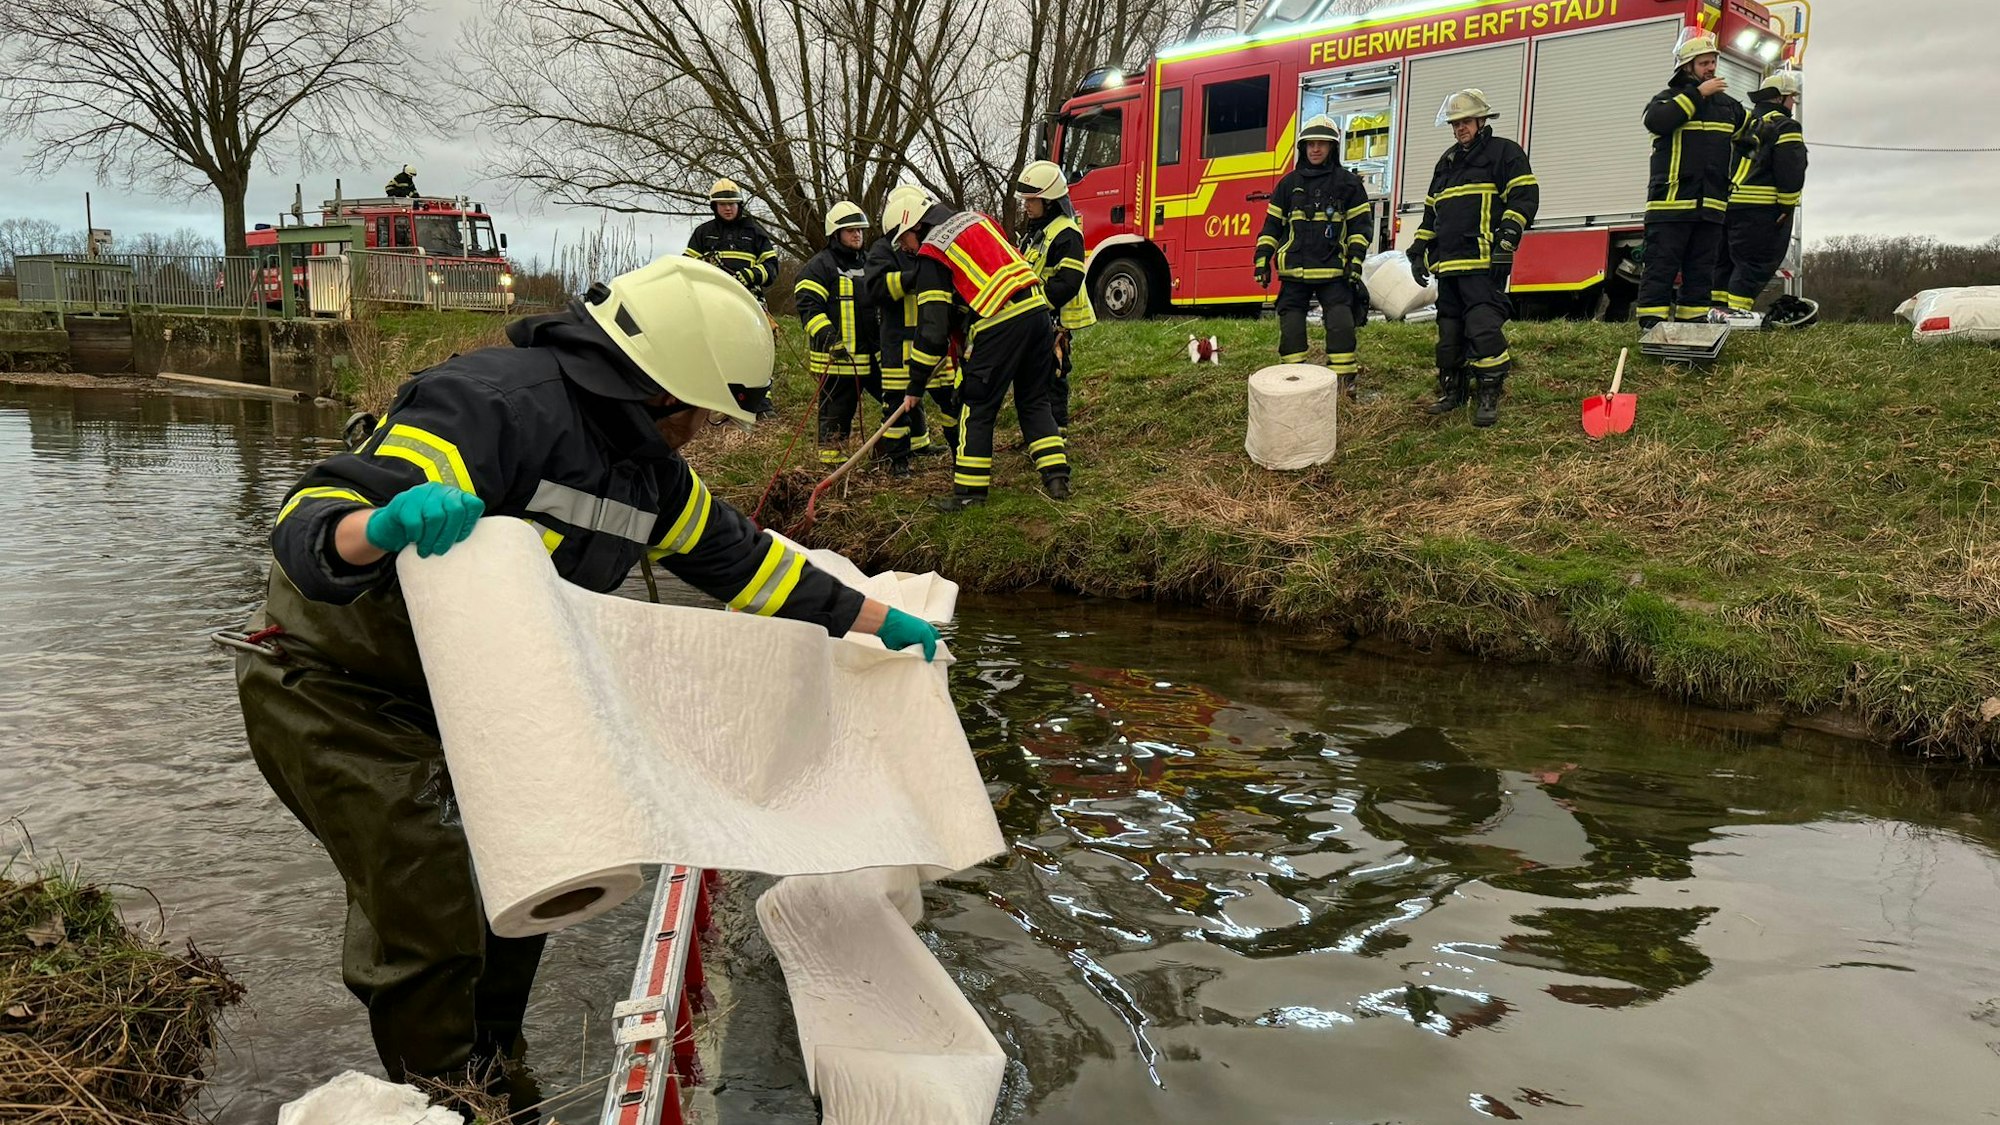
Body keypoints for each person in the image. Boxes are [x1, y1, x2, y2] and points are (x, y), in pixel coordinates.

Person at [231, 256, 939, 1121]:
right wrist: (377, 526)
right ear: (658, 391)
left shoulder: (651, 478)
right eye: (702, 415)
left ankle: (494, 1066)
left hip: (484, 698)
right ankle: (445, 1098)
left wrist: (873, 620)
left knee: (533, 870)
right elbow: (307, 520)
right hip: (341, 684)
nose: (704, 435)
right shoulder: (491, 406)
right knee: (429, 888)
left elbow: (744, 567)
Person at [882, 184, 1070, 510]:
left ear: (913, 224)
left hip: (1001, 323)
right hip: (1038, 313)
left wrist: (915, 384)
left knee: (976, 407)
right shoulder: (978, 220)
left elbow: (932, 328)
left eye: (903, 239)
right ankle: (1057, 480)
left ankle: (969, 495)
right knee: (1035, 400)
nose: (906, 249)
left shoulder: (932, 252)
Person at [1408, 89, 1539, 427]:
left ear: (1481, 121)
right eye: (1454, 123)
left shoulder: (1504, 154)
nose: (1459, 129)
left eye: (1465, 121)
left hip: (1483, 263)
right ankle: (1453, 391)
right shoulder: (1447, 162)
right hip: (1449, 267)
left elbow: (1524, 198)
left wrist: (1506, 241)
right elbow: (1431, 213)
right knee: (1449, 333)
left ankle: (1489, 392)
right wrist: (1418, 249)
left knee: (1483, 329)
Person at [1253, 114, 1372, 397]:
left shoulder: (1348, 184)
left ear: (1332, 148)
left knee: (1341, 321)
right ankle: (1294, 383)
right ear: (1303, 148)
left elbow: (1360, 227)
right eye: (1311, 144)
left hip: (1333, 270)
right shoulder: (1288, 184)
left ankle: (1344, 384)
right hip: (1295, 270)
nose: (1316, 149)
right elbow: (1271, 226)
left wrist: (1355, 261)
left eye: (1322, 144)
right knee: (1291, 324)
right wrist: (1262, 259)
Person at [1636, 31, 1746, 331]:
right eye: (1703, 63)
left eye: (1713, 62)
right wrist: (1699, 94)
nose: (1711, 68)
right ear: (1687, 68)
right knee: (1661, 265)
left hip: (1710, 204)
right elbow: (1657, 121)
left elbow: (1751, 137)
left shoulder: (1727, 107)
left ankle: (1693, 321)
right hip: (1671, 201)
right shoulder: (1666, 100)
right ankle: (1652, 322)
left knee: (1701, 268)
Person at [797, 201, 896, 470]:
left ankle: (912, 447)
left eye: (860, 230)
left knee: (898, 398)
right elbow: (808, 306)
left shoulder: (870, 263)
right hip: (839, 358)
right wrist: (830, 340)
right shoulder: (819, 267)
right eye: (850, 230)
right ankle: (832, 467)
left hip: (874, 354)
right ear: (835, 234)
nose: (857, 235)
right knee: (836, 414)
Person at [1717, 70, 1810, 328]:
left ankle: (1715, 317)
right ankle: (1736, 320)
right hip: (1763, 211)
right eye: (1792, 98)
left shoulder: (1743, 123)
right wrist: (1787, 205)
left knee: (1723, 266)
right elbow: (1790, 171)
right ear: (1780, 99)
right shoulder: (1785, 126)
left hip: (1727, 206)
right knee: (1752, 267)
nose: (1793, 104)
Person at [1012, 160, 1095, 431]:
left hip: (1053, 321)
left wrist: (1037, 304)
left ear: (1049, 200)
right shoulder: (1038, 231)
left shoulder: (1066, 233)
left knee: (1053, 376)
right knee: (1032, 377)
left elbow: (1069, 281)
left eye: (1031, 199)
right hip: (1037, 317)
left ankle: (1057, 434)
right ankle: (1039, 434)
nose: (1026, 205)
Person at [866, 222, 955, 465]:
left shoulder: (934, 243)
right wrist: (915, 278)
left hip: (934, 342)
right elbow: (874, 288)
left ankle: (961, 454)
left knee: (950, 402)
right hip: (898, 345)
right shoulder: (882, 250)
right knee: (896, 407)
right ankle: (898, 462)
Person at [684, 178, 780, 303]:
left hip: (748, 298)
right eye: (722, 204)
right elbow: (686, 266)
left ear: (739, 205)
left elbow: (772, 267)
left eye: (732, 204)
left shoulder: (755, 231)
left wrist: (752, 275)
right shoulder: (703, 232)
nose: (728, 208)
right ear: (714, 206)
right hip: (709, 299)